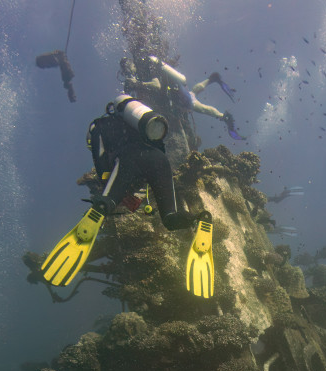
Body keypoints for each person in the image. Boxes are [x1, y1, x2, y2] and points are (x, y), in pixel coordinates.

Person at [40, 95, 214, 297]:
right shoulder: (145, 130)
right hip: (160, 161)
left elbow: (101, 158)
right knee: (169, 218)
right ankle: (200, 219)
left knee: (106, 204)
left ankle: (96, 216)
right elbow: (153, 161)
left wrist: (109, 189)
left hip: (130, 158)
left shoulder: (99, 126)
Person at [124, 56, 244, 139]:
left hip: (175, 91)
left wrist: (137, 84)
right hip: (175, 86)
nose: (128, 72)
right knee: (192, 94)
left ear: (131, 64)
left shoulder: (143, 68)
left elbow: (156, 85)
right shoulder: (144, 66)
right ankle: (212, 79)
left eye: (127, 68)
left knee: (197, 107)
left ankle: (223, 116)